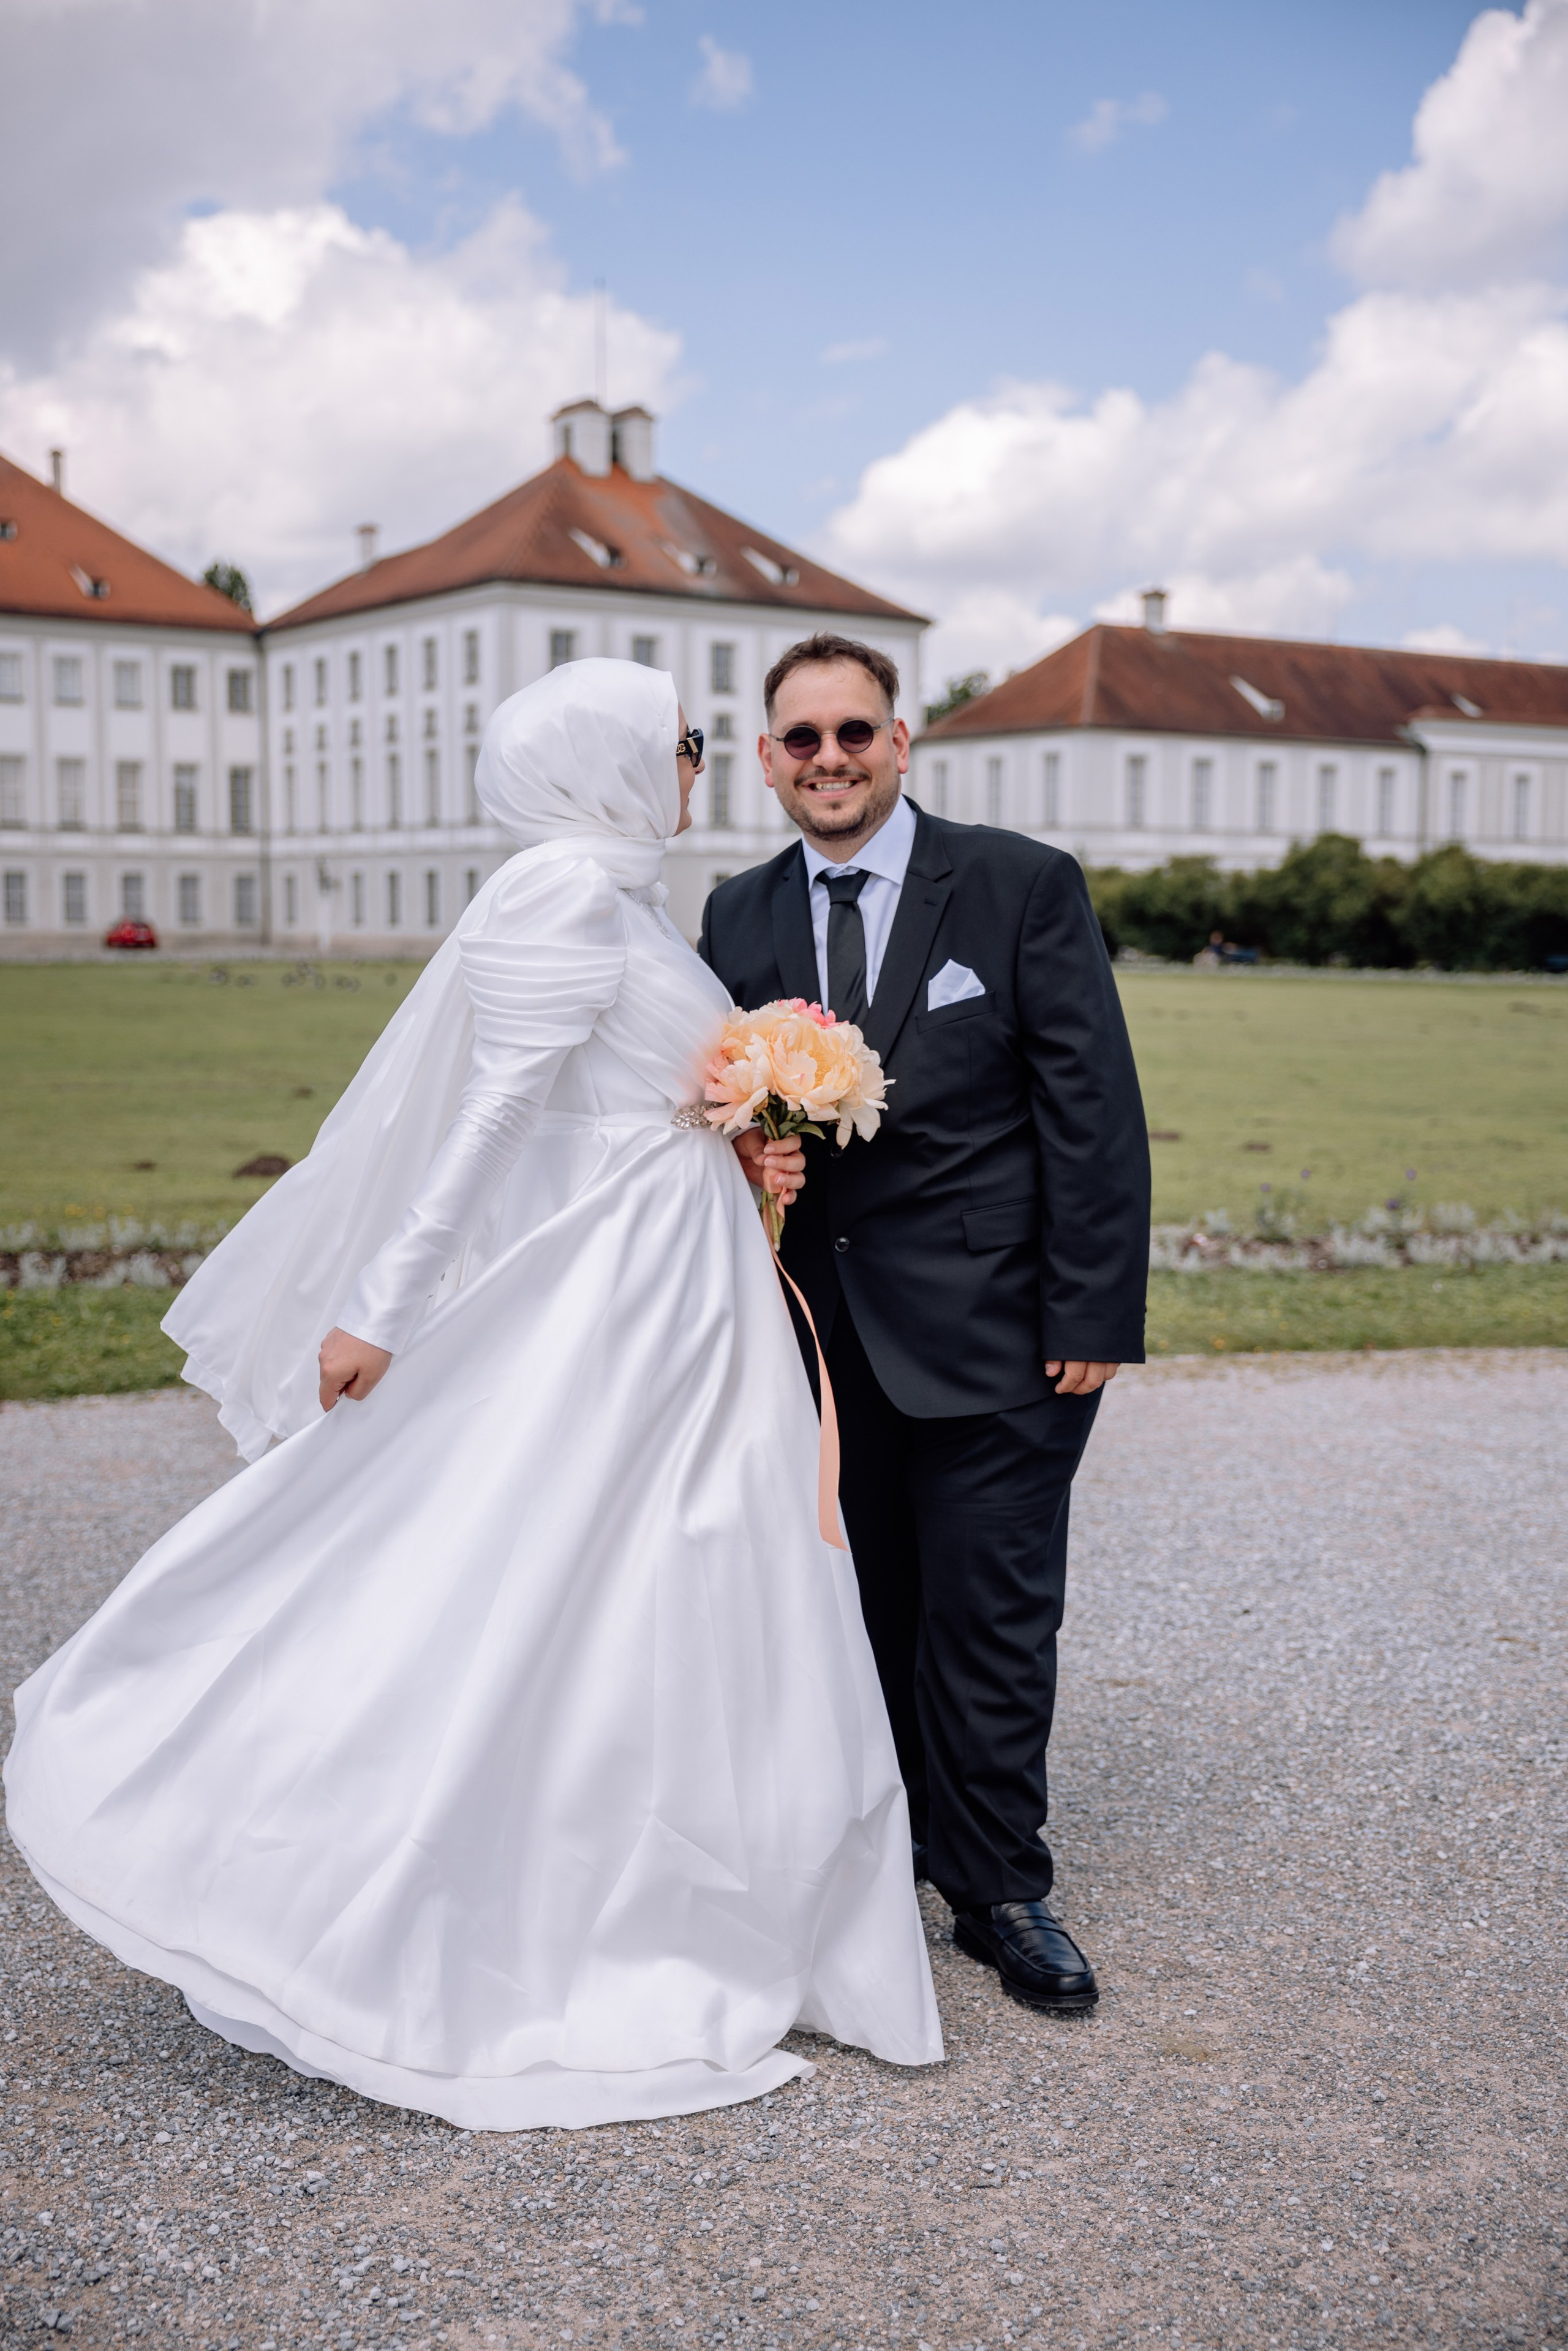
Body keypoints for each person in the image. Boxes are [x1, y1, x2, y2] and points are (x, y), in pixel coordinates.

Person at [5, 658, 941, 2131]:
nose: (699, 764)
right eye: (685, 743)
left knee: (703, 1583)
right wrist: (378, 1305)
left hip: (683, 1287)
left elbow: (639, 1096)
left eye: (696, 742)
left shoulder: (621, 894)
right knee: (547, 1576)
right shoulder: (560, 893)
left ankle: (740, 1909)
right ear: (606, 759)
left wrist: (752, 1130)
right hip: (615, 1299)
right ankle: (510, 1906)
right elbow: (493, 1113)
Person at [700, 634, 1150, 2015]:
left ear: (902, 742)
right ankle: (885, 1845)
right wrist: (746, 1158)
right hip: (823, 1346)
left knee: (992, 1615)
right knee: (863, 1610)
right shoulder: (733, 914)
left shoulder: (1016, 885)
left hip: (1005, 1335)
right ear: (768, 758)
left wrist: (1091, 1309)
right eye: (798, 739)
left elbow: (1090, 1109)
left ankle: (1000, 1884)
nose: (826, 759)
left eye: (851, 732)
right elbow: (715, 1111)